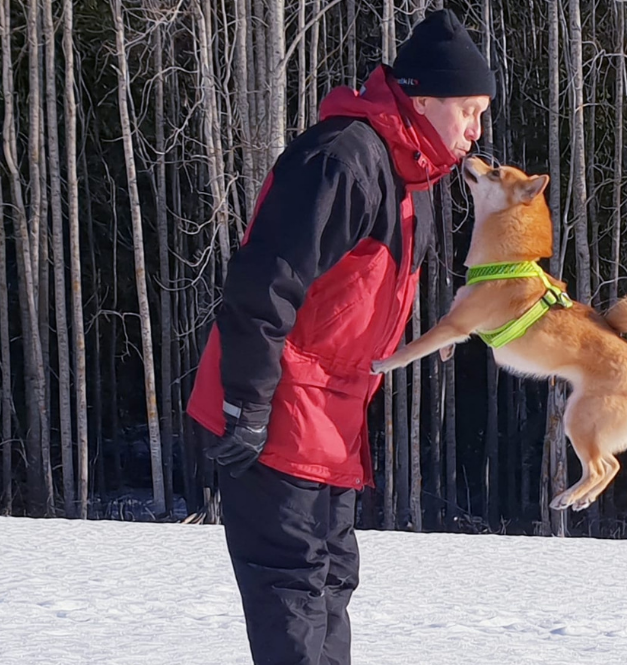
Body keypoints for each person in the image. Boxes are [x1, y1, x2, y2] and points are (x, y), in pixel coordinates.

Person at [185, 8, 494, 665]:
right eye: (469, 109)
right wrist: (246, 405)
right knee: (294, 600)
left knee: (328, 590)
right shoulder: (343, 160)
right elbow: (260, 287)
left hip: (331, 427)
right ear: (424, 97)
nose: (477, 129)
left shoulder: (415, 181)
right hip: (275, 417)